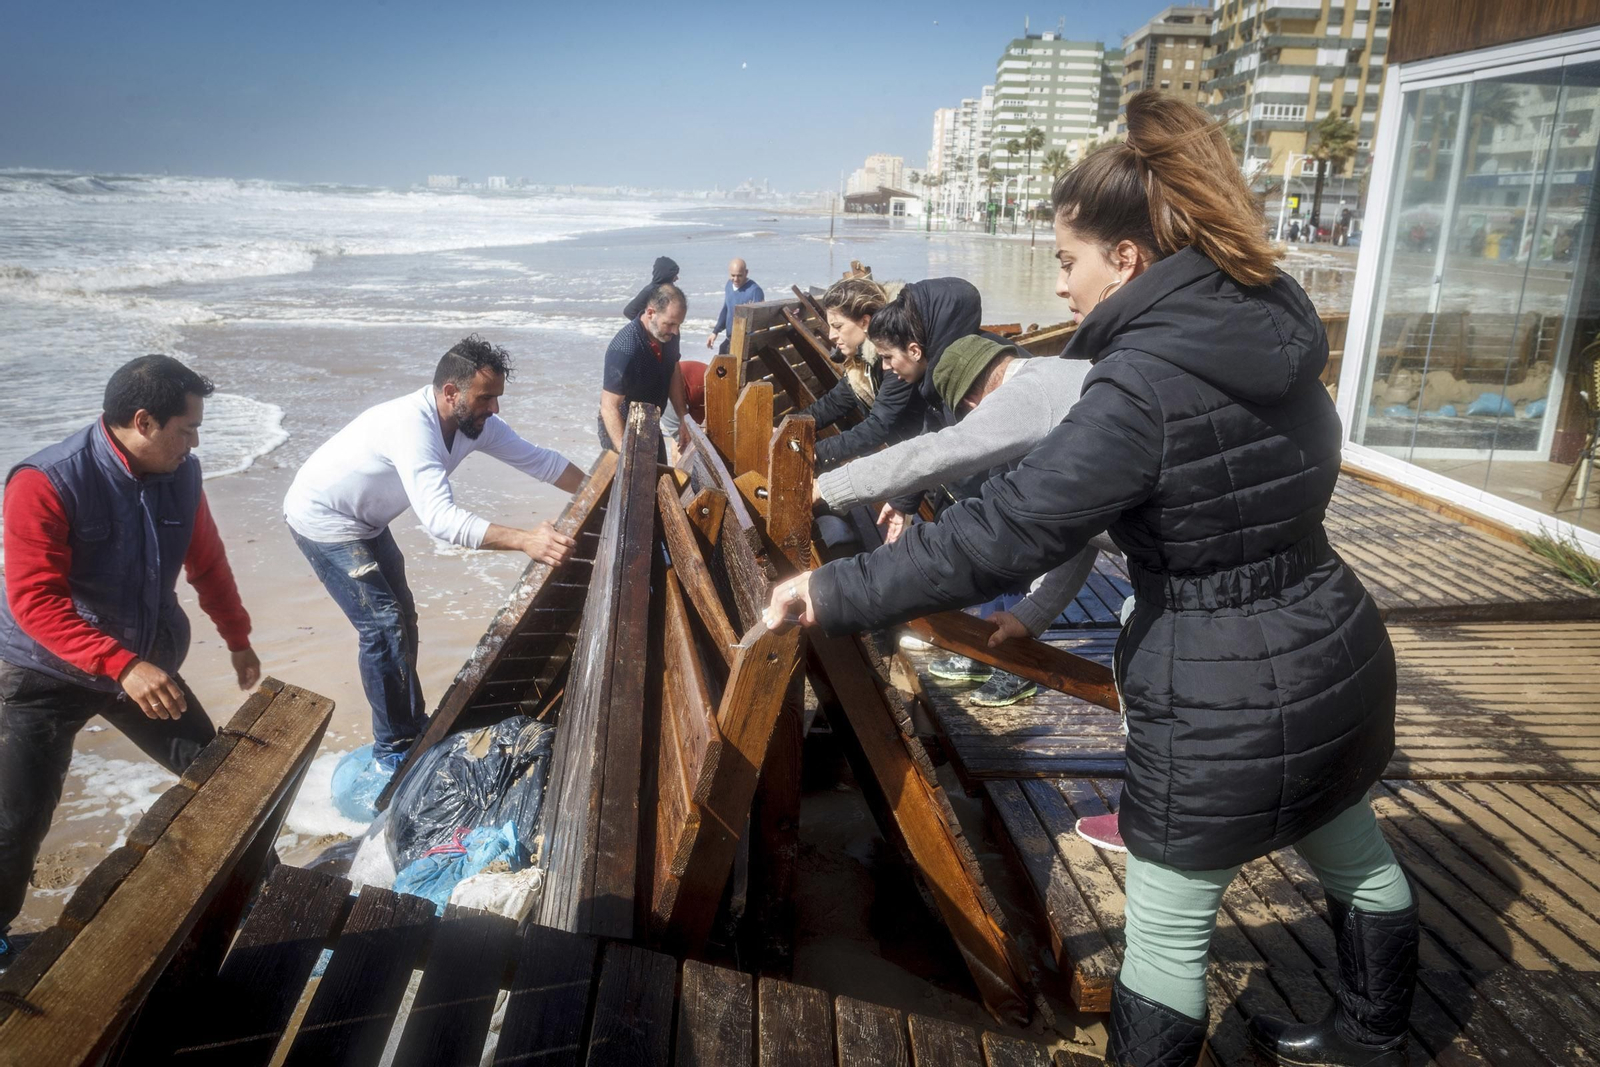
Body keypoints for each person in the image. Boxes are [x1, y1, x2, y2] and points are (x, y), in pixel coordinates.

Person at [767, 90, 1414, 1067]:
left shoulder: (1137, 386)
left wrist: (832, 590)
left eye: (1068, 259)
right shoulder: (1271, 323)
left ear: (1128, 258)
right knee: (1356, 853)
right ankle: (1371, 1037)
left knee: (1164, 935)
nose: (1059, 284)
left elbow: (1004, 531)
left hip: (1217, 689)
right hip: (1335, 646)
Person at [0, 356, 261, 965]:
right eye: (187, 429)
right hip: (45, 671)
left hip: (140, 666)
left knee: (219, 780)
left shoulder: (181, 473)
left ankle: (259, 890)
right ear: (143, 422)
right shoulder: (44, 482)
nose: (195, 444)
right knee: (17, 822)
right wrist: (119, 664)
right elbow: (34, 601)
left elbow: (206, 561)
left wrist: (237, 636)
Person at [285, 335, 583, 771]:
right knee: (383, 625)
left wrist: (603, 489)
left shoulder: (474, 423)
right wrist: (525, 540)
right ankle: (391, 749)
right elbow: (441, 520)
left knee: (403, 618)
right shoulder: (413, 427)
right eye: (486, 398)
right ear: (450, 392)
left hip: (368, 521)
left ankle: (411, 726)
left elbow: (542, 463)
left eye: (497, 397)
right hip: (323, 518)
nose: (495, 408)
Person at [815, 333, 1105, 707]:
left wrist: (830, 487)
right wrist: (1033, 613)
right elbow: (1083, 522)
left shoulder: (1026, 392)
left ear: (971, 403)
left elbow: (938, 452)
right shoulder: (1057, 379)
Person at [799, 276, 928, 471]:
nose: (832, 335)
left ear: (865, 322)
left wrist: (819, 452)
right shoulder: (862, 361)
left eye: (838, 326)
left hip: (925, 461)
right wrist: (790, 426)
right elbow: (836, 402)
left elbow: (880, 426)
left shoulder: (895, 358)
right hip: (907, 456)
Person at [600, 284, 690, 453]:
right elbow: (609, 407)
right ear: (650, 313)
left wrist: (683, 417)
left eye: (679, 324)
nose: (675, 331)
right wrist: (625, 453)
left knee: (659, 470)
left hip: (650, 423)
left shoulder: (668, 336)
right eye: (670, 324)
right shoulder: (626, 349)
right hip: (620, 426)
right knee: (630, 469)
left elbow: (673, 371)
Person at [705, 258, 765, 353]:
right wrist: (715, 332)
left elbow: (760, 322)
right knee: (722, 349)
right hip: (730, 339)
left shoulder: (755, 291)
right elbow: (726, 310)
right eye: (733, 275)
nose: (736, 279)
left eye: (739, 275)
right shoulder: (729, 285)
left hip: (745, 342)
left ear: (746, 272)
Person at [622, 256, 679, 321]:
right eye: (674, 275)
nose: (677, 278)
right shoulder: (650, 290)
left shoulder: (667, 291)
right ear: (667, 276)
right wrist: (646, 324)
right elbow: (629, 311)